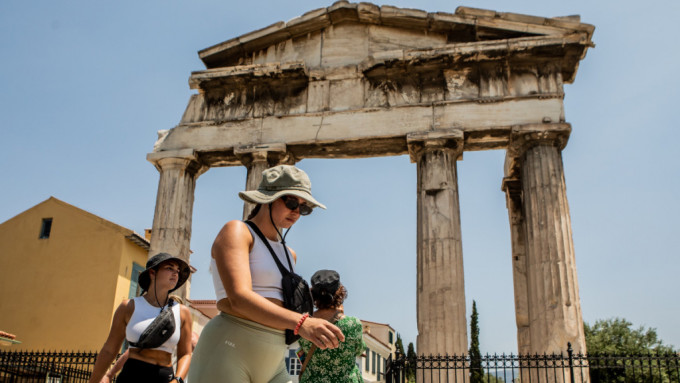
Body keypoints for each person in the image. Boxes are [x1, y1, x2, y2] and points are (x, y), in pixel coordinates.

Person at [188, 165, 345, 383]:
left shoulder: (290, 254)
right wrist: (303, 323)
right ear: (268, 198)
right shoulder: (237, 231)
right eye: (291, 202)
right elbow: (239, 299)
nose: (297, 212)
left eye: (304, 208)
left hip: (275, 357)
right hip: (229, 349)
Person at [88, 252, 193, 383]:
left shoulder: (182, 312)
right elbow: (110, 349)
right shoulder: (128, 307)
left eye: (177, 270)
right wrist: (94, 380)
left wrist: (177, 380)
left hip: (165, 377)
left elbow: (186, 354)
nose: (176, 273)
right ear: (152, 273)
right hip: (132, 376)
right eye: (169, 268)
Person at [298, 270, 365, 383]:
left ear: (313, 294)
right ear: (340, 292)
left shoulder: (304, 323)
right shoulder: (353, 324)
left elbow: (303, 351)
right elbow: (359, 350)